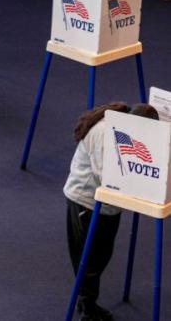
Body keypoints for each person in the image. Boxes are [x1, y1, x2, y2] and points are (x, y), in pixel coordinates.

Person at [63, 102, 159, 321]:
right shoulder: (105, 134)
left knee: (102, 255)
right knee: (88, 259)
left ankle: (87, 302)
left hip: (108, 205)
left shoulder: (126, 127)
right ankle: (87, 309)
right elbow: (106, 176)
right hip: (85, 201)